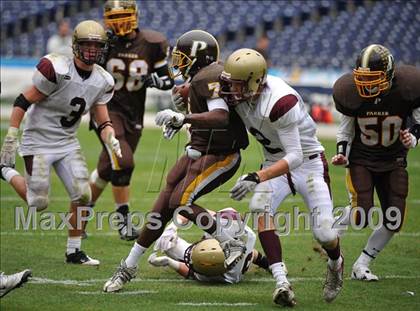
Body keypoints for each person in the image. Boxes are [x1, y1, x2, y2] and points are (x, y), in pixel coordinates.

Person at [103, 30, 249, 293]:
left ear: (198, 58)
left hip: (222, 154)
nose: (178, 63)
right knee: (163, 205)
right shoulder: (196, 82)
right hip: (200, 150)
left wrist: (184, 119)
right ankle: (129, 265)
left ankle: (230, 241)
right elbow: (203, 112)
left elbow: (220, 116)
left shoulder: (209, 76)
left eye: (183, 58)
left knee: (181, 202)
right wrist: (183, 120)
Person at [219, 48, 343, 306]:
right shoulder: (238, 96)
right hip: (275, 162)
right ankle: (281, 281)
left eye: (237, 85)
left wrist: (257, 175)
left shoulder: (279, 100)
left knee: (325, 235)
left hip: (307, 163)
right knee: (259, 207)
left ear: (254, 82)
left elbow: (295, 156)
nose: (231, 91)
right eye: (230, 84)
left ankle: (335, 263)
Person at [0, 20, 120, 265]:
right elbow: (23, 100)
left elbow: (102, 119)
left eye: (96, 46)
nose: (91, 51)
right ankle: (4, 170)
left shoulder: (103, 80)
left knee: (83, 195)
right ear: (75, 46)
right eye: (86, 45)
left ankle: (73, 251)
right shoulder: (57, 68)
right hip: (38, 141)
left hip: (67, 143)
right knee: (38, 203)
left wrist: (111, 138)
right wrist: (12, 135)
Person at [86, 0, 174, 241]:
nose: (119, 22)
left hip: (133, 114)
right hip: (106, 110)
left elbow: (168, 81)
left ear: (135, 15)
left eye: (123, 15)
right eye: (113, 17)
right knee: (123, 162)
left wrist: (156, 81)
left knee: (107, 168)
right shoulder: (103, 42)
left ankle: (80, 216)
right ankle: (124, 222)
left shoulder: (151, 43)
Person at [331, 44, 420, 281]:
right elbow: (345, 130)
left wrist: (413, 138)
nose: (366, 84)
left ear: (389, 74)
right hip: (362, 158)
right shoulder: (351, 92)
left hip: (394, 158)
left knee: (395, 219)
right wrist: (342, 153)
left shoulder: (408, 88)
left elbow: (418, 124)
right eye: (362, 78)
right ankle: (332, 227)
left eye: (373, 78)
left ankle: (362, 264)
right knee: (362, 214)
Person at [148, 208, 270, 284]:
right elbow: (190, 211)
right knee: (165, 239)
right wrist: (174, 225)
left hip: (221, 255)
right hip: (232, 248)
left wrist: (169, 262)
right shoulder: (241, 242)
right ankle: (269, 264)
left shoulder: (224, 272)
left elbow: (191, 272)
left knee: (167, 244)